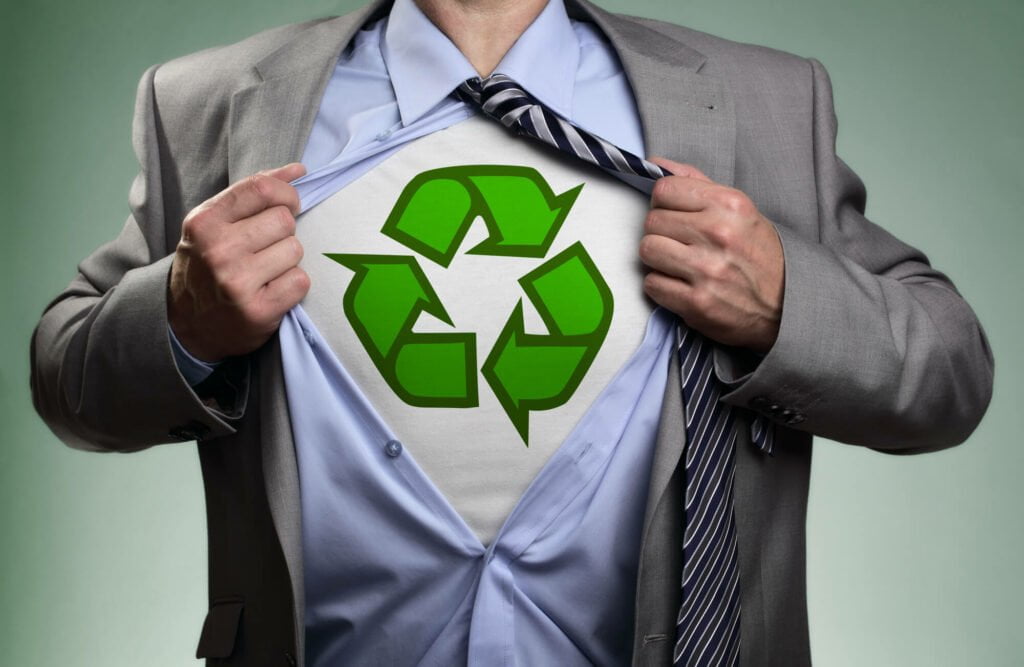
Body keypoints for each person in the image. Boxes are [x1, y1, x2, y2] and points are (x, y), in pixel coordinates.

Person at [29, 0, 993, 664]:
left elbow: (950, 368)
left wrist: (788, 297)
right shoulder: (208, 100)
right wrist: (180, 317)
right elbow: (67, 371)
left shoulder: (761, 101)